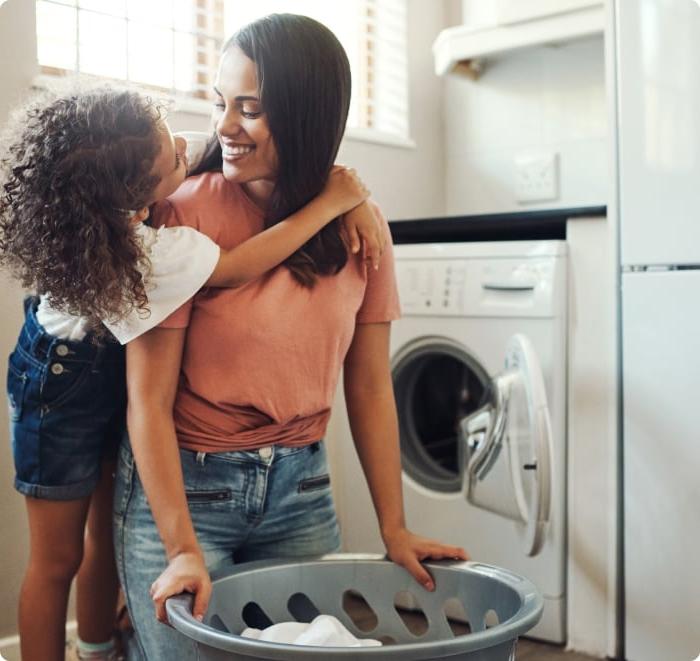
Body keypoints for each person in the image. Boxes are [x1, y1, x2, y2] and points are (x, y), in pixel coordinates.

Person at [117, 13, 469, 660]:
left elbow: (368, 385)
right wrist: (181, 546)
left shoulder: (360, 226)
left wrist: (395, 526)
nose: (225, 126)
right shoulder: (185, 212)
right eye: (222, 103)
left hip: (302, 490)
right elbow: (148, 402)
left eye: (248, 108)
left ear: (306, 113)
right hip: (190, 489)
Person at [0, 86, 382, 661]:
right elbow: (238, 266)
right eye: (173, 157)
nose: (187, 143)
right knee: (56, 561)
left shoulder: (123, 182)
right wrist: (329, 205)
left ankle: (99, 647)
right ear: (137, 199)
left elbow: (259, 148)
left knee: (105, 530)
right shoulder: (155, 253)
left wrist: (343, 186)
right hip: (58, 386)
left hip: (107, 364)